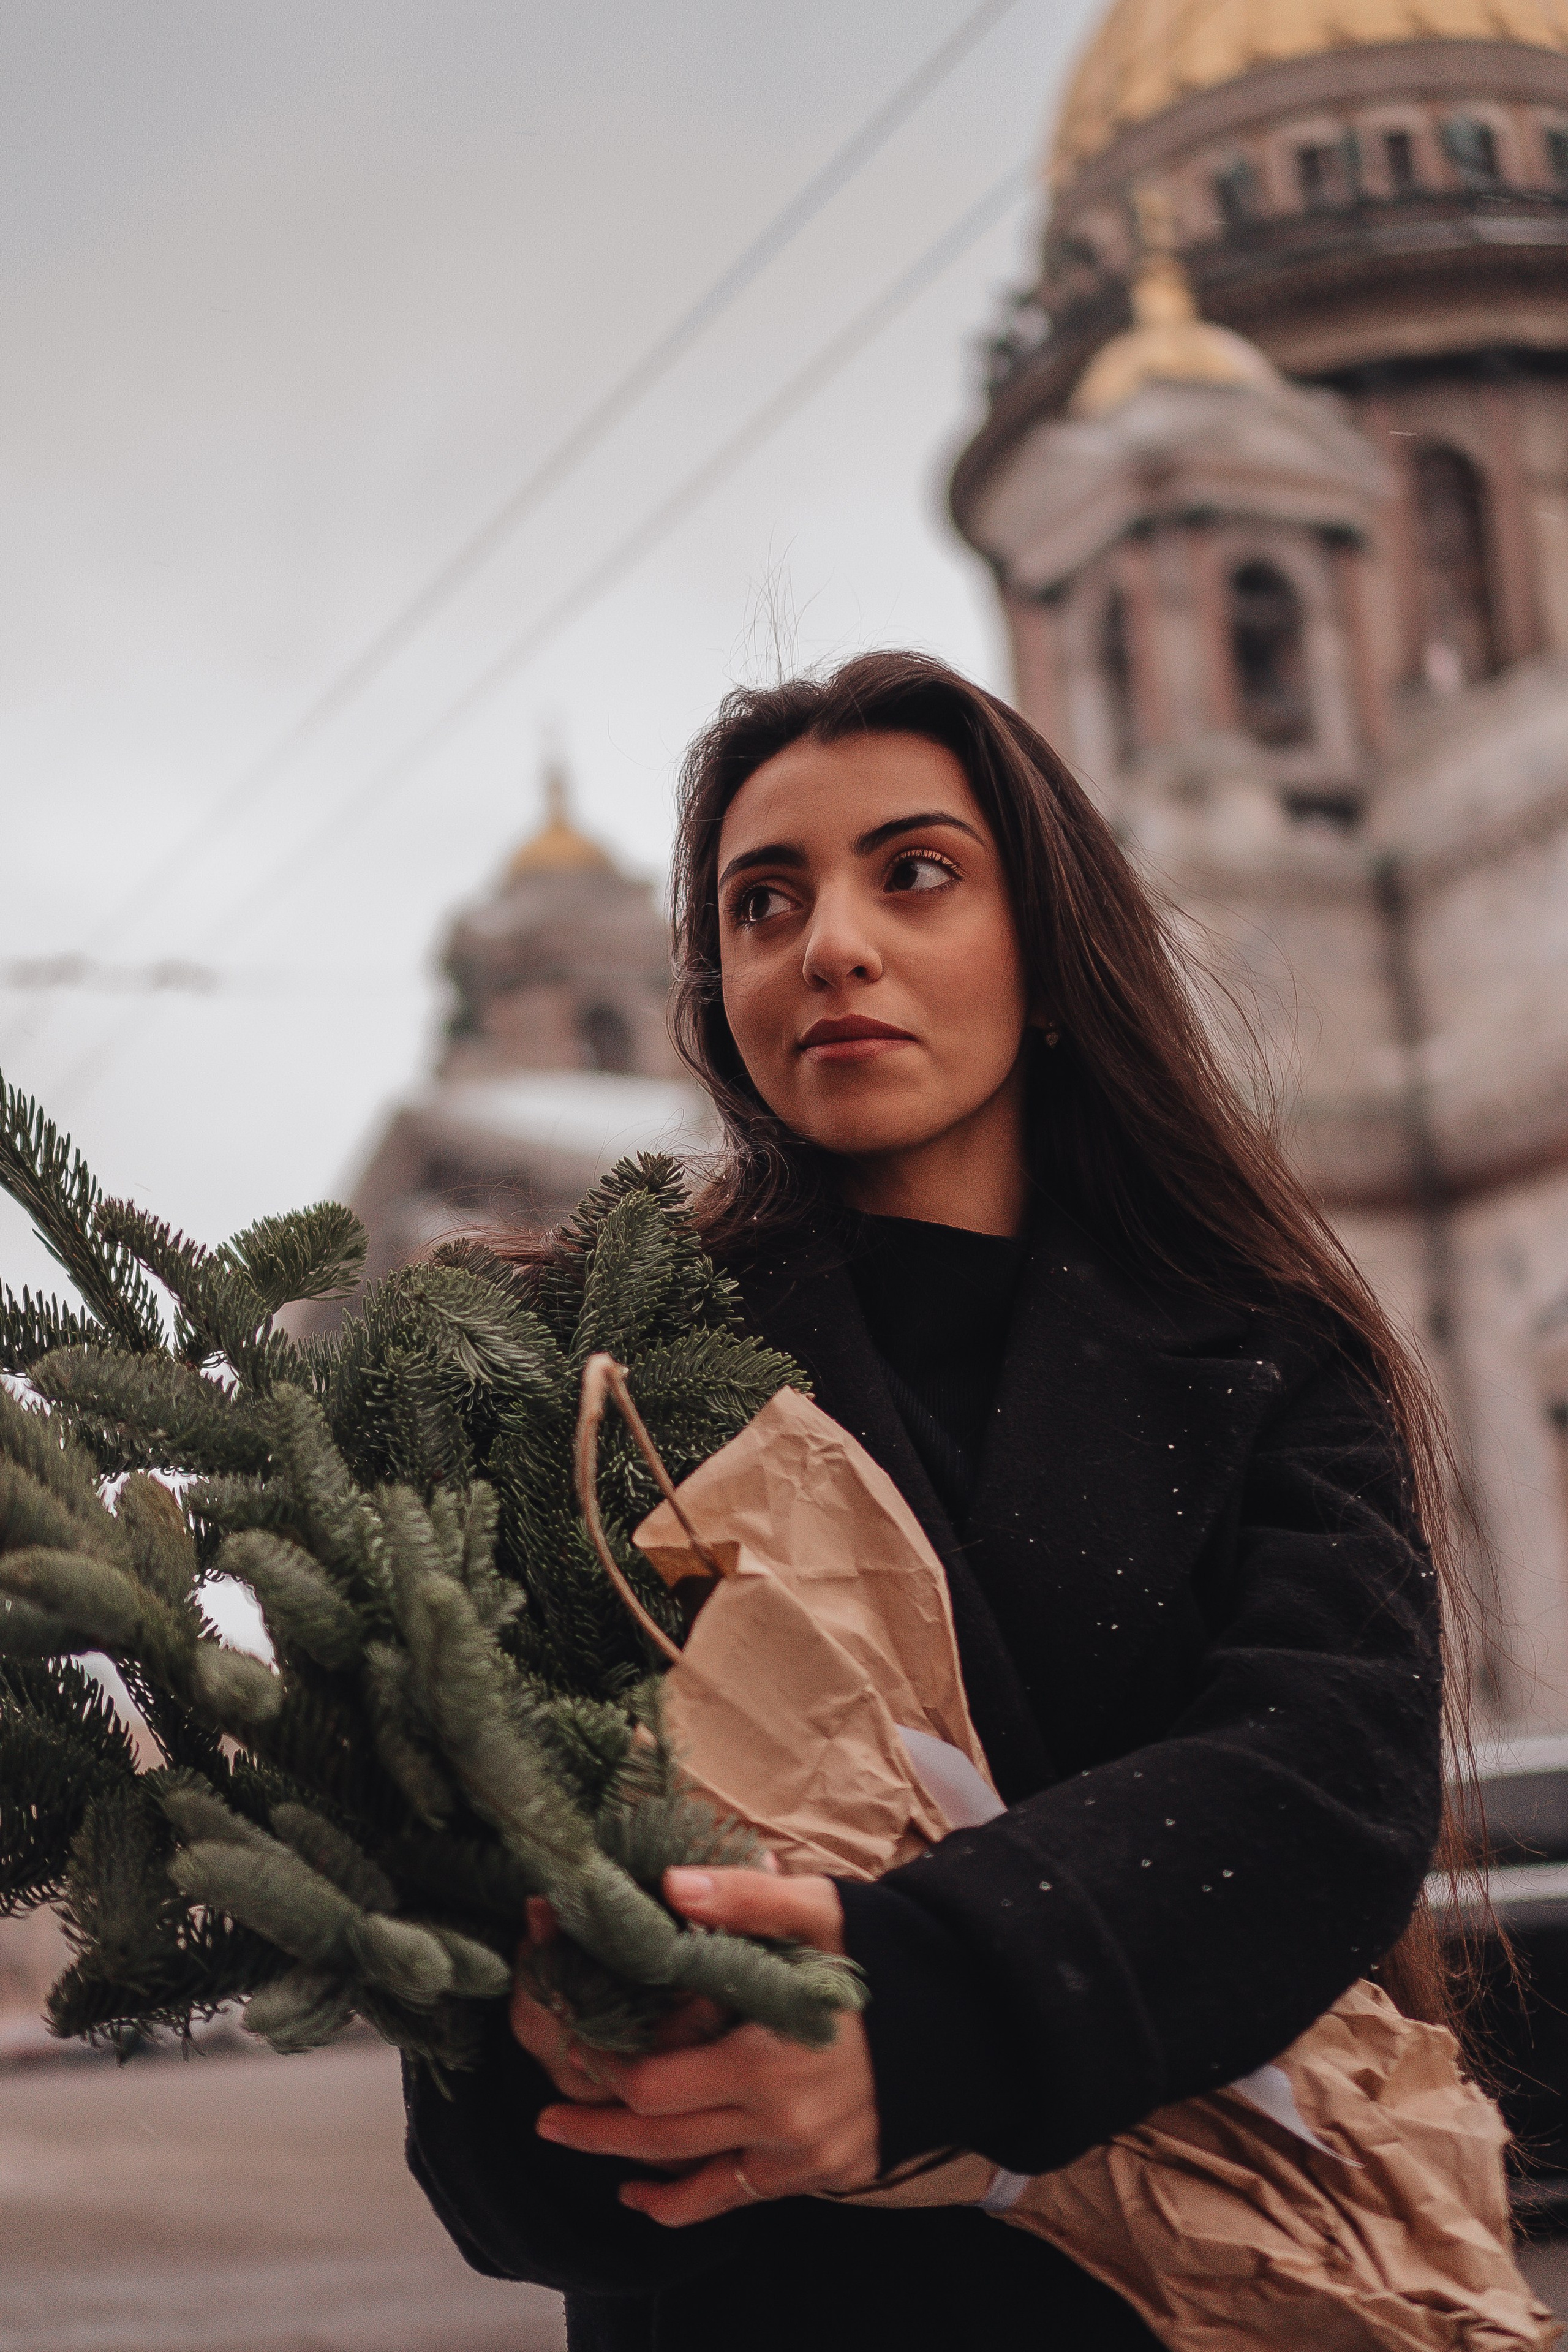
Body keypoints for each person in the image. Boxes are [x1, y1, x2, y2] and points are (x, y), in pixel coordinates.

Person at [405, 652, 1452, 2351]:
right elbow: (477, 1914)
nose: (829, 943)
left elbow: (1325, 1772)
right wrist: (601, 2099)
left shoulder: (1261, 1350)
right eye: (763, 902)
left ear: (1046, 948)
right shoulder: (602, 1374)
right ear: (719, 993)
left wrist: (924, 2019)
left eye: (913, 873)